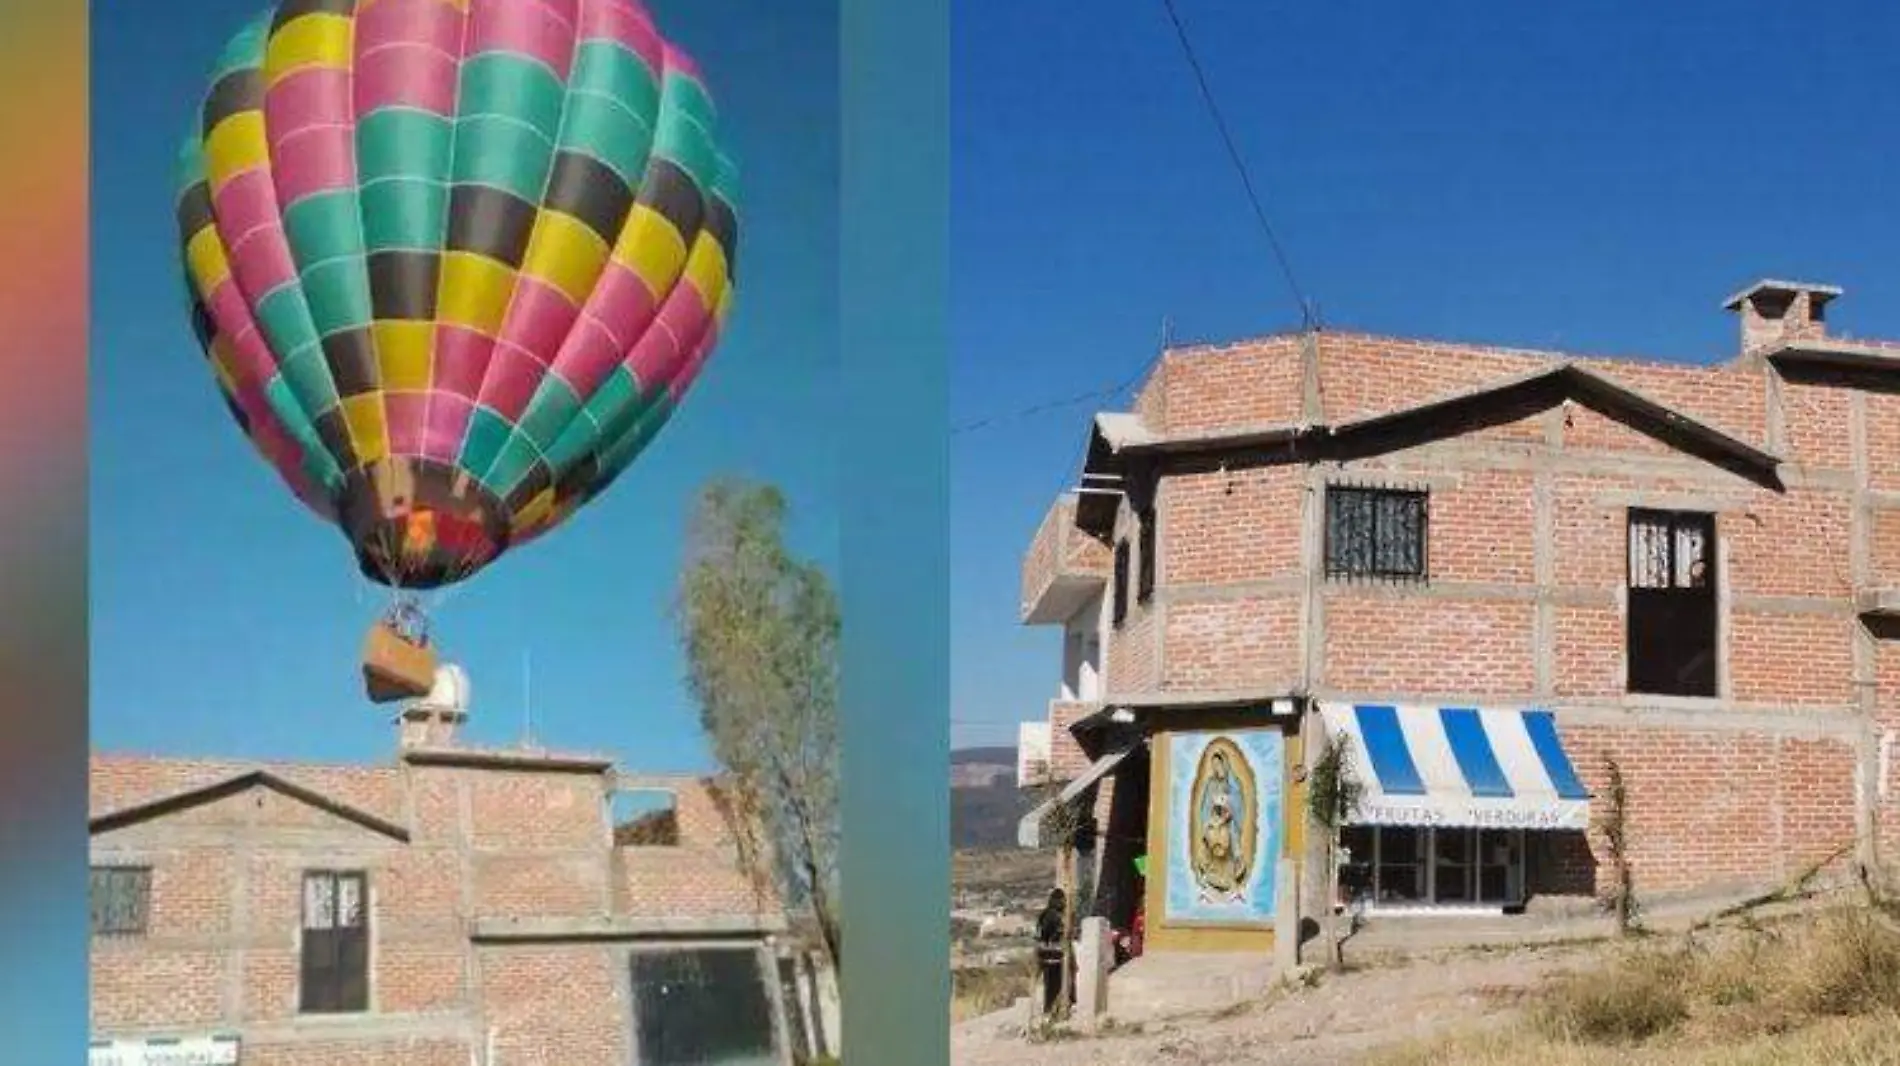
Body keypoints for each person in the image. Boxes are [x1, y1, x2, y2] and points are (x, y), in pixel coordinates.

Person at [1035, 888, 1069, 1015]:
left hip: (1050, 956)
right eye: (1062, 900)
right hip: (1052, 957)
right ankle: (1051, 1011)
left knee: (1052, 986)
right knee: (1053, 987)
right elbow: (1046, 938)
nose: (1064, 903)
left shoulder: (1046, 914)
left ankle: (1052, 1010)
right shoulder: (1052, 916)